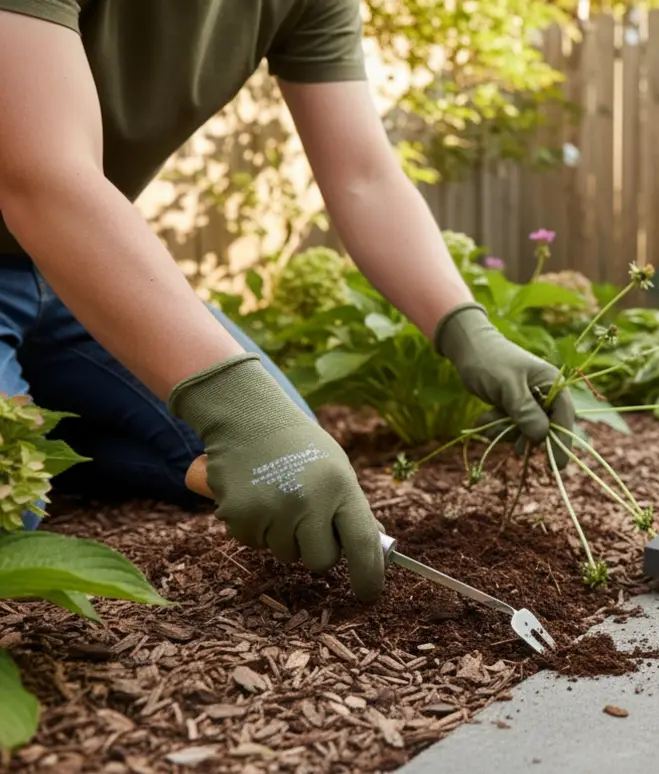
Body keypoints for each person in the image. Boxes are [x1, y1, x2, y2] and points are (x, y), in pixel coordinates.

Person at [0, 1, 576, 603]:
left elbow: (364, 177)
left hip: (83, 270)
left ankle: (53, 433)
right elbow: (42, 176)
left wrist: (467, 331)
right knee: (15, 507)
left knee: (290, 459)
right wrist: (230, 403)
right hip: (56, 225)